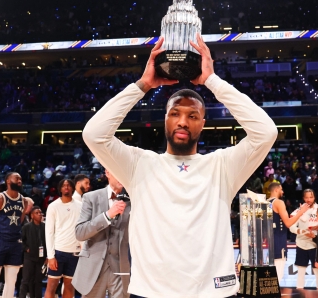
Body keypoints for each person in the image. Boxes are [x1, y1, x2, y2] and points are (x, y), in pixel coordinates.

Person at [82, 35, 277, 297]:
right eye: (175, 114)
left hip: (213, 292)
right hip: (152, 292)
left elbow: (266, 132)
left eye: (192, 116)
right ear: (165, 119)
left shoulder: (222, 166)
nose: (183, 121)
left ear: (203, 124)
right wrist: (143, 85)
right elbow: (94, 134)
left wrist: (212, 81)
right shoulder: (139, 164)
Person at [73, 169, 131, 298]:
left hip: (121, 269)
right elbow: (80, 233)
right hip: (94, 268)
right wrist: (107, 215)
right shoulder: (90, 197)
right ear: (108, 172)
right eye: (118, 170)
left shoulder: (132, 201)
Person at [0, 172, 32, 298]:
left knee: (11, 281)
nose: (20, 180)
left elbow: (19, 221)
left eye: (20, 178)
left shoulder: (23, 201)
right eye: (17, 178)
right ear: (8, 181)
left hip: (15, 242)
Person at [44, 179, 82, 298]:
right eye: (64, 185)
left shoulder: (81, 206)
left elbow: (83, 228)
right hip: (58, 252)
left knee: (70, 286)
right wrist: (50, 256)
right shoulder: (53, 206)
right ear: (60, 189)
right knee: (51, 286)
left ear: (72, 188)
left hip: (75, 252)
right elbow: (49, 232)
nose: (66, 187)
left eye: (68, 185)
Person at [267, 182, 309, 281]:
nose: (283, 191)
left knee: (271, 275)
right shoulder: (279, 202)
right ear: (276, 190)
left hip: (270, 241)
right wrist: (301, 212)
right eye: (281, 189)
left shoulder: (266, 202)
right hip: (279, 240)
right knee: (278, 275)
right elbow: (288, 223)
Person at [289, 189, 318, 289]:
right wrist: (302, 232)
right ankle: (299, 293)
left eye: (311, 197)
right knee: (301, 272)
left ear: (314, 197)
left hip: (315, 244)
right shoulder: (298, 211)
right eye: (306, 197)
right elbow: (291, 226)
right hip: (301, 244)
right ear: (303, 198)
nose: (309, 199)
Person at [19, 206, 46, 298]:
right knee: (26, 280)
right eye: (37, 213)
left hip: (41, 257)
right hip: (29, 257)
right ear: (32, 215)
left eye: (40, 213)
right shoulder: (26, 227)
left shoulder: (45, 227)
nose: (40, 214)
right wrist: (26, 248)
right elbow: (20, 240)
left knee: (38, 280)